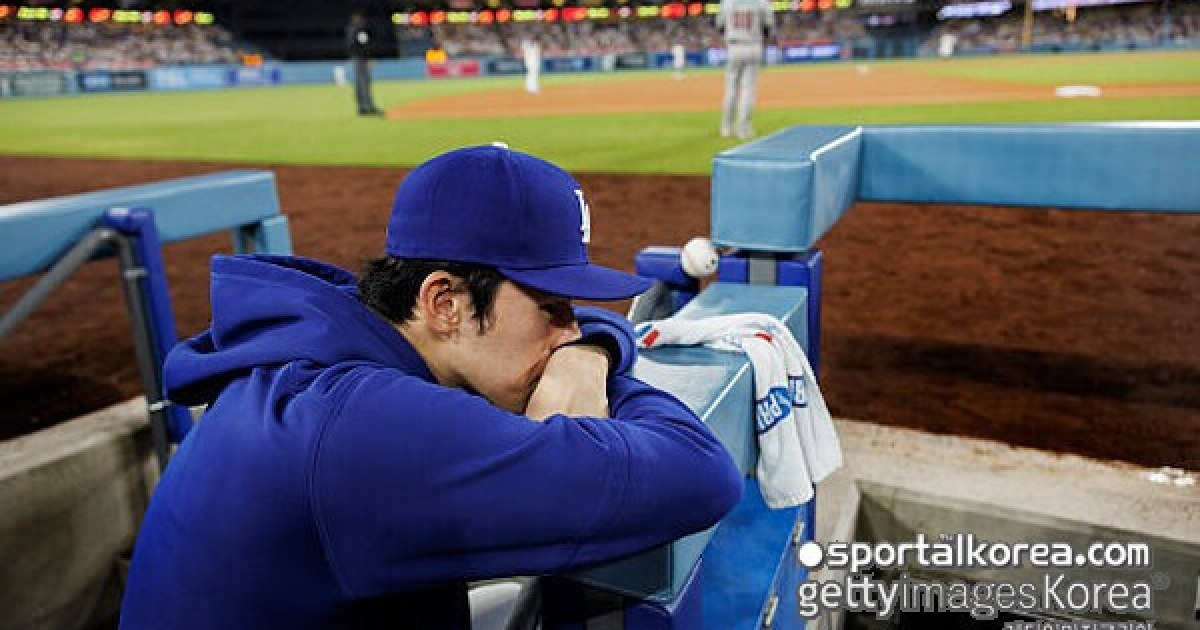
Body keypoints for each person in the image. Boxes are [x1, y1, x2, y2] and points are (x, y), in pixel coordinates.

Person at [118, 145, 743, 629]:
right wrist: (589, 357)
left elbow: (580, 334)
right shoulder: (358, 428)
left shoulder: (340, 340)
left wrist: (592, 350)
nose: (568, 330)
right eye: (552, 306)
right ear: (444, 301)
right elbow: (699, 472)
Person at [716, 0, 775, 139]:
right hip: (753, 45)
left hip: (734, 46)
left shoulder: (727, 2)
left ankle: (726, 127)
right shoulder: (761, 2)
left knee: (731, 89)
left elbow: (720, 26)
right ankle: (743, 127)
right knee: (748, 89)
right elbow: (767, 27)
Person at [347, 12, 383, 116]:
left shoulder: (350, 30)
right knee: (364, 83)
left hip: (355, 58)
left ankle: (361, 107)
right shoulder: (359, 30)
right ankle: (369, 107)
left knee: (359, 84)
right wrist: (368, 58)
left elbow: (350, 46)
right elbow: (364, 45)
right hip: (361, 59)